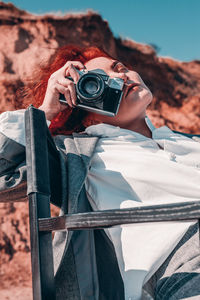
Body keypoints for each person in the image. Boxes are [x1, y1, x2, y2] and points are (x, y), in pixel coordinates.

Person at [0, 45, 200, 300]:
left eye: (120, 68)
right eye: (99, 83)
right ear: (87, 116)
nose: (121, 77)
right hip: (187, 263)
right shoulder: (79, 157)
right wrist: (45, 112)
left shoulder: (189, 141)